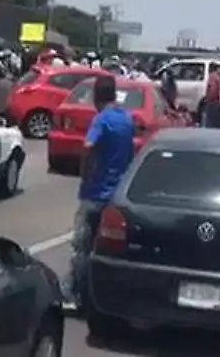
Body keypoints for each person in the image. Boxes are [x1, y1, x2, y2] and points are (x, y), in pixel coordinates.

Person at [63, 75, 135, 312]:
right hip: (116, 196)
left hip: (95, 193)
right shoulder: (126, 119)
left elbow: (88, 146)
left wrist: (85, 173)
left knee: (82, 247)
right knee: (109, 249)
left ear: (96, 96)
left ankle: (74, 294)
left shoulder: (101, 119)